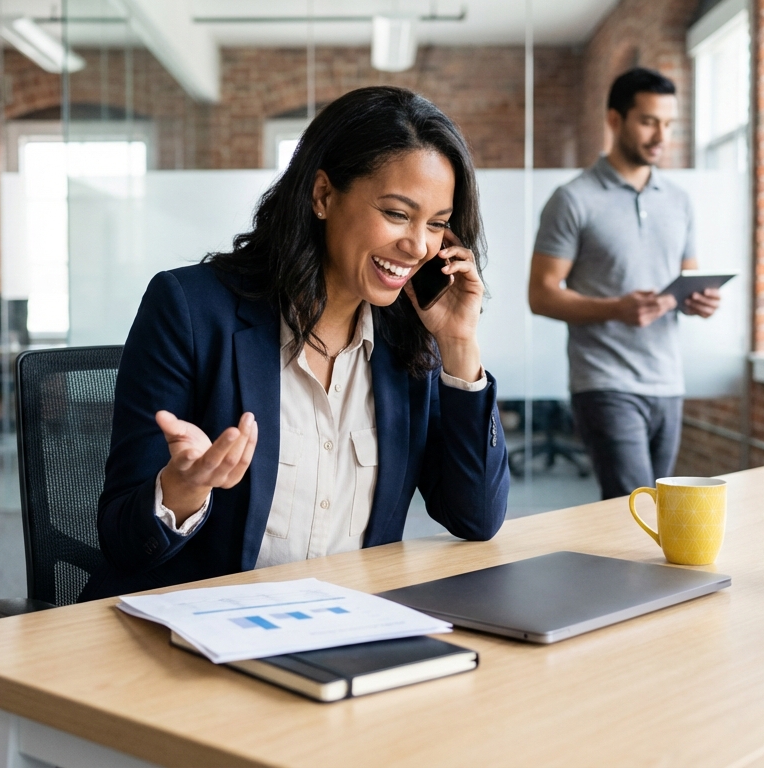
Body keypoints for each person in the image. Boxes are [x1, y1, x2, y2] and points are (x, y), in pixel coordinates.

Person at [93, 86, 510, 595]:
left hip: (345, 629)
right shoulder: (191, 310)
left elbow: (477, 516)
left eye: (438, 225)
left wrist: (459, 344)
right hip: (205, 630)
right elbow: (123, 540)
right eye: (398, 214)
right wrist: (184, 489)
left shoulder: (408, 339)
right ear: (323, 195)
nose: (418, 245)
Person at [527, 67, 721, 500]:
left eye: (668, 124)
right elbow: (541, 294)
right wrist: (616, 308)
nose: (661, 136)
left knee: (660, 510)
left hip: (668, 381)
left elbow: (685, 279)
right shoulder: (573, 199)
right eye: (649, 121)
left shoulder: (679, 200)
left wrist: (698, 300)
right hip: (605, 379)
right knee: (635, 508)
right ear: (615, 120)